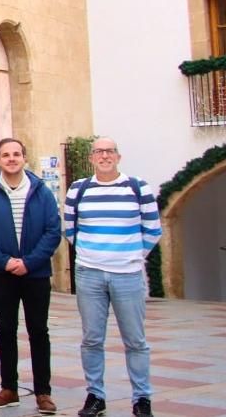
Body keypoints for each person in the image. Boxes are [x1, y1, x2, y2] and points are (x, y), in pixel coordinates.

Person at [64, 137, 162, 417]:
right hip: (89, 274)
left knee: (135, 340)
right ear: (92, 158)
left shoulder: (137, 187)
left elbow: (153, 229)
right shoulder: (77, 189)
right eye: (99, 152)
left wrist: (130, 255)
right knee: (92, 339)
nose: (104, 156)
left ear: (118, 157)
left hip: (128, 275)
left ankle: (142, 399)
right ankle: (95, 396)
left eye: (109, 151)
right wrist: (93, 254)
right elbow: (70, 230)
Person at [0, 138, 61, 414]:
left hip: (35, 274)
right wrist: (6, 261)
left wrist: (29, 262)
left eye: (16, 154)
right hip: (2, 273)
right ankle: (9, 387)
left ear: (24, 158)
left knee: (38, 331)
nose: (11, 159)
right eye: (5, 155)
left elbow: (52, 231)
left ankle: (43, 392)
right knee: (6, 331)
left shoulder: (41, 191)